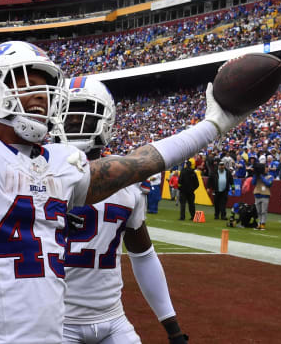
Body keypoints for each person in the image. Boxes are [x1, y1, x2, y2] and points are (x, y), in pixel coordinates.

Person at [0, 0, 250, 343]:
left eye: (46, 84)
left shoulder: (60, 163)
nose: (42, 95)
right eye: (27, 83)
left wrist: (212, 126)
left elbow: (140, 163)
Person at [56, 76, 188, 343]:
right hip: (56, 320)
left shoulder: (127, 180)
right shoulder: (37, 171)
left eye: (84, 113)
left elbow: (143, 255)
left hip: (113, 319)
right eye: (68, 113)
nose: (74, 121)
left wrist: (172, 327)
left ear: (106, 121)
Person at [252, 163, 273, 230]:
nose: (266, 169)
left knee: (264, 211)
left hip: (265, 194)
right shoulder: (257, 175)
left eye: (267, 167)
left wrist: (261, 176)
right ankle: (259, 223)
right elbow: (253, 183)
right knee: (258, 211)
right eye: (265, 167)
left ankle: (263, 223)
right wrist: (256, 175)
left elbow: (268, 184)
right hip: (257, 194)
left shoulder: (270, 176)